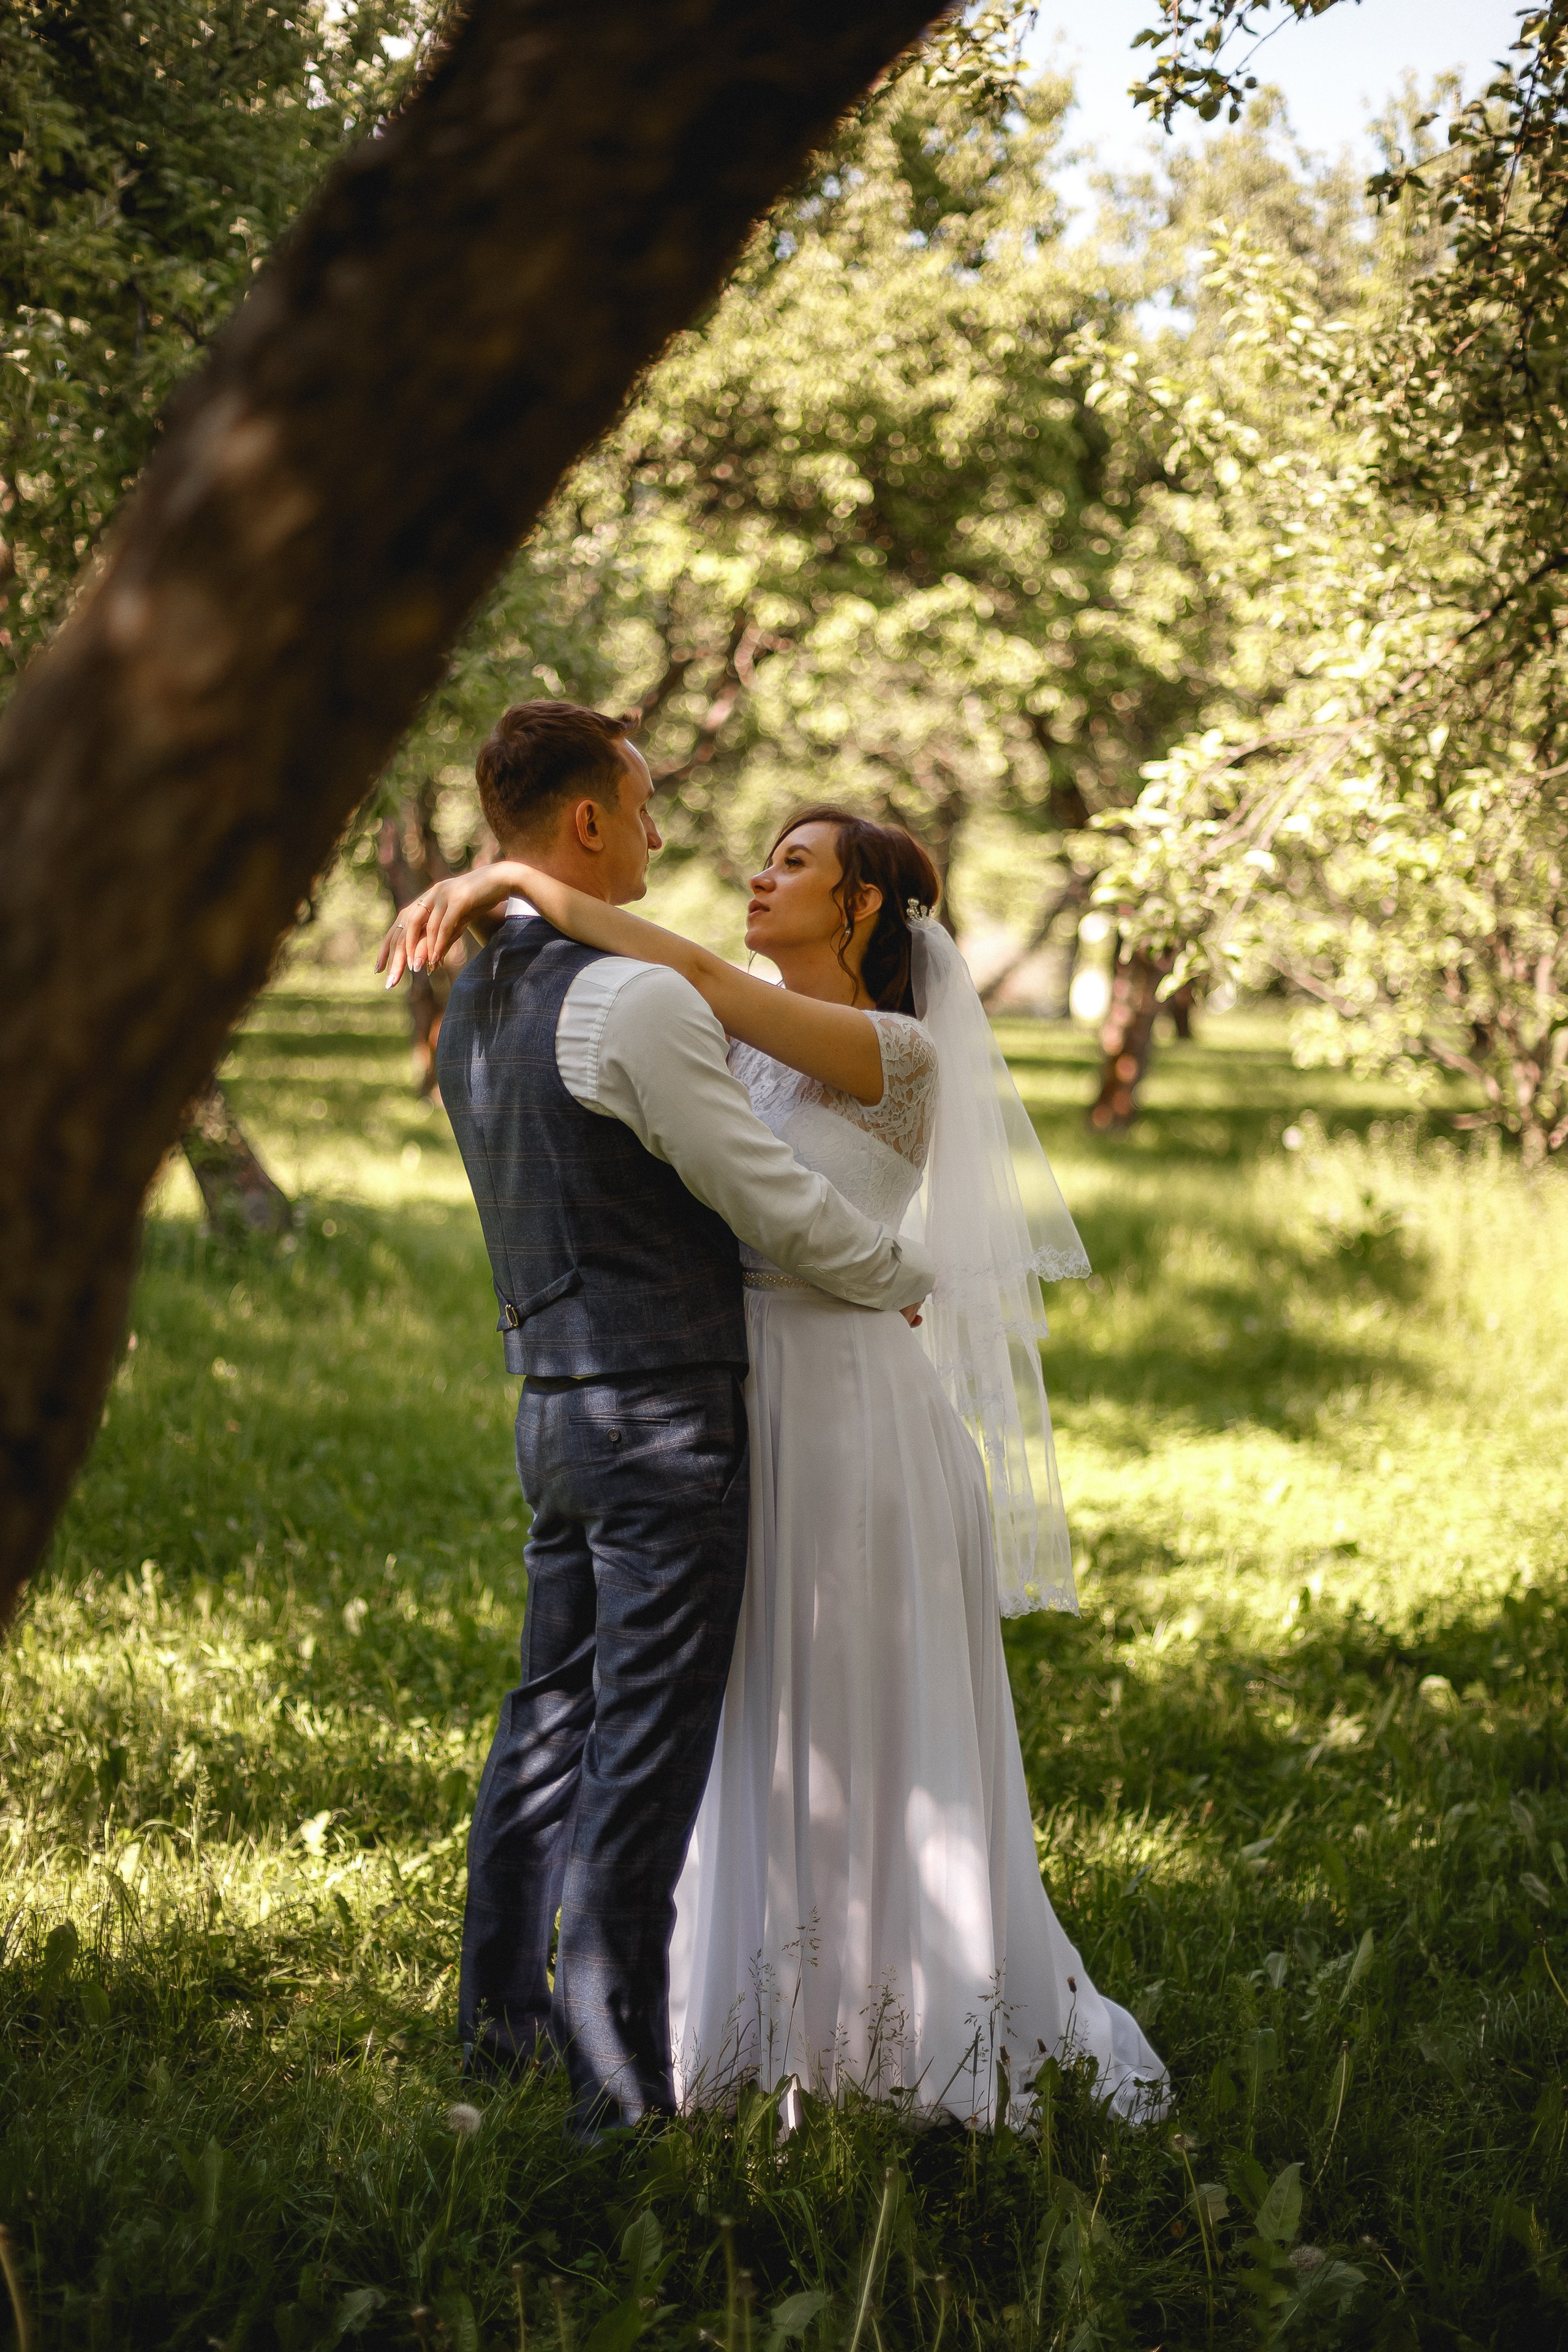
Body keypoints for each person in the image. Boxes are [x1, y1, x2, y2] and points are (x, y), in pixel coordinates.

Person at [388, 739, 1169, 2127]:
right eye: (763, 855)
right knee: (743, 1715)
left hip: (852, 1404)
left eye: (794, 862)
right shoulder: (732, 1040)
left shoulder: (894, 1052)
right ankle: (754, 2008)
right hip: (728, 1394)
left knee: (856, 1703)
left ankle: (898, 2020)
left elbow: (690, 978)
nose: (758, 874)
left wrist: (511, 880)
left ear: (861, 907)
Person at [385, 703, 937, 2138]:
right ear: (585, 822)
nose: (656, 834)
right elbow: (765, 1196)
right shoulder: (633, 1004)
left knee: (544, 1729)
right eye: (638, 809)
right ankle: (618, 2103)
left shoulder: (478, 999)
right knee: (638, 1757)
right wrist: (897, 1273)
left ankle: (498, 2038)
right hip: (663, 1421)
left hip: (552, 1400)